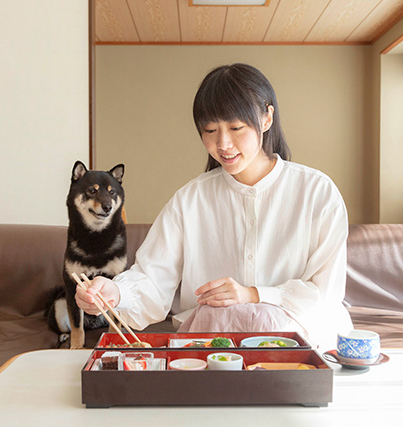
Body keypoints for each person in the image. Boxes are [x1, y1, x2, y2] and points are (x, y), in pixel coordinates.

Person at [75, 63, 352, 349]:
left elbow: (325, 293)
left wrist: (254, 295)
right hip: (208, 348)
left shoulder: (317, 192)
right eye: (210, 130)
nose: (223, 144)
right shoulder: (190, 200)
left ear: (267, 118)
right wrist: (115, 292)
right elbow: (152, 280)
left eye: (236, 127)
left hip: (296, 347)